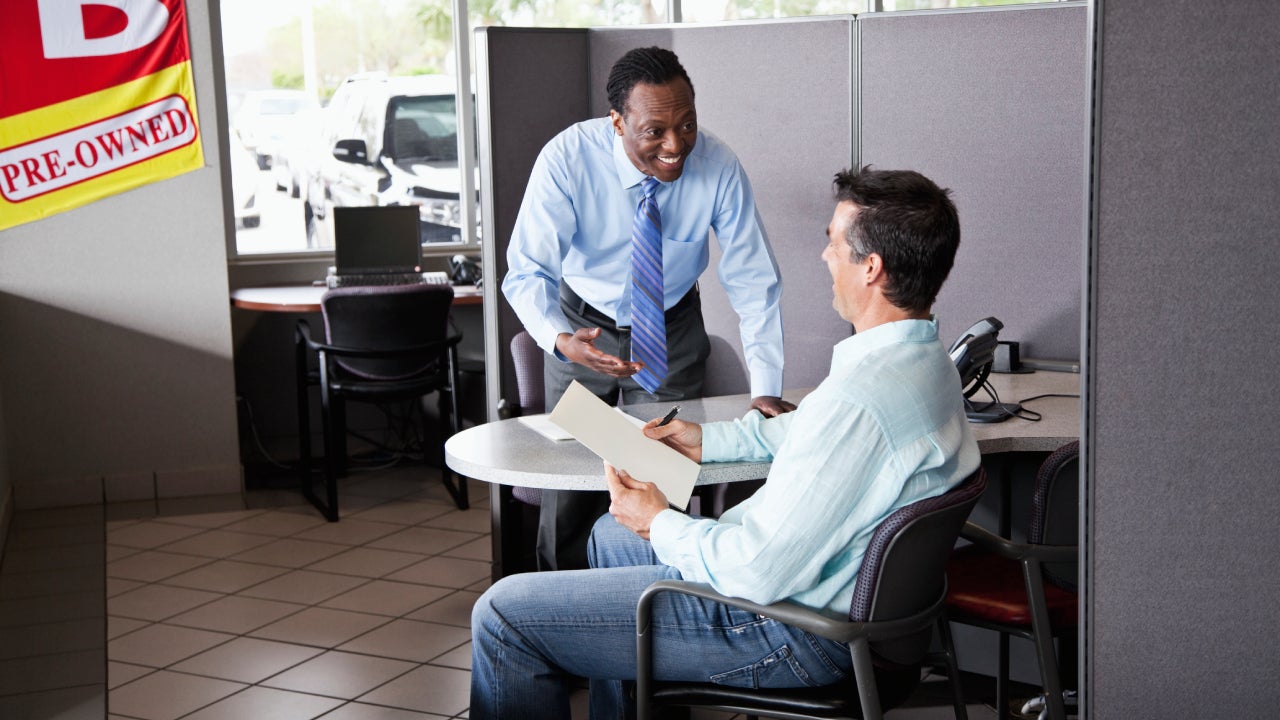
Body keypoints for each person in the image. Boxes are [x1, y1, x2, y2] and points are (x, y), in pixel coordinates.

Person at [471, 165, 982, 719]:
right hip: (832, 603)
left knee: (501, 614)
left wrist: (658, 522)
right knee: (608, 535)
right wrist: (703, 441)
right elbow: (808, 429)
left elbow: (756, 570)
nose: (824, 255)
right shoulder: (922, 361)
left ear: (871, 268)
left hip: (790, 628)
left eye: (833, 242)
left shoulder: (861, 401)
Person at [502, 46, 793, 571]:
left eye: (687, 125)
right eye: (655, 131)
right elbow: (526, 271)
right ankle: (559, 603)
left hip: (669, 326)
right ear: (617, 122)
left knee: (662, 478)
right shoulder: (568, 159)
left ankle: (650, 606)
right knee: (571, 487)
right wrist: (559, 339)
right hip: (581, 326)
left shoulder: (718, 165)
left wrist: (766, 388)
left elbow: (755, 280)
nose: (675, 145)